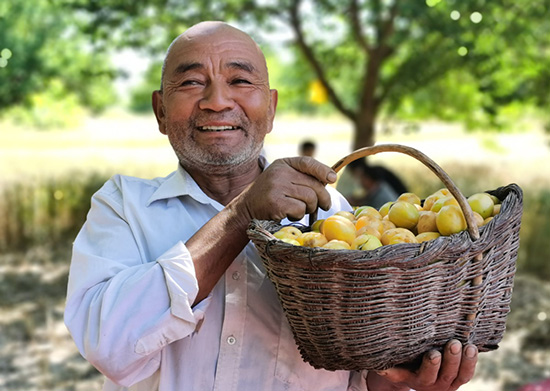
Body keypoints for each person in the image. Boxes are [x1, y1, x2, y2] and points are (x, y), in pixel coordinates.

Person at [64, 21, 479, 391]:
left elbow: (357, 372)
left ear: (272, 108)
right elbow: (109, 346)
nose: (216, 101)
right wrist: (242, 214)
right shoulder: (122, 206)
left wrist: (401, 380)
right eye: (191, 83)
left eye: (240, 81)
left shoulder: (334, 214)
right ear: (159, 110)